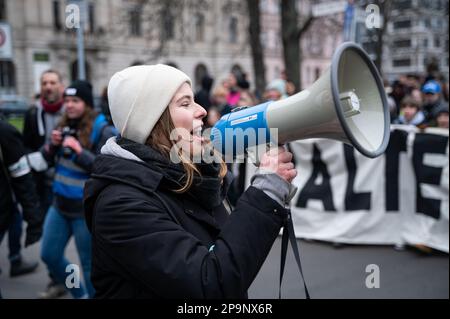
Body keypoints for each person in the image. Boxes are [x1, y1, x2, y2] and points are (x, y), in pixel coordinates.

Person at [83, 64, 298, 298]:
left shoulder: (191, 177)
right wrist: (265, 194)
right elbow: (210, 284)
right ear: (152, 121)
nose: (203, 111)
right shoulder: (120, 206)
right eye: (185, 103)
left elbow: (223, 251)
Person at [40, 80, 115, 299]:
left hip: (85, 209)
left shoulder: (102, 129)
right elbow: (46, 159)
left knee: (89, 266)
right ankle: (78, 293)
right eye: (67, 100)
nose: (69, 105)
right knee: (50, 255)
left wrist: (78, 151)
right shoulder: (63, 124)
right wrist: (52, 146)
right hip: (59, 205)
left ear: (87, 103)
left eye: (76, 101)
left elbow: (106, 168)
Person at [0, 118, 43, 279]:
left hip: (5, 207)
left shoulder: (5, 132)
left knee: (15, 218)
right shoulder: (5, 131)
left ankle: (15, 259)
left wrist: (34, 221)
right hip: (5, 206)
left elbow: (22, 178)